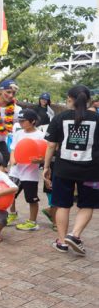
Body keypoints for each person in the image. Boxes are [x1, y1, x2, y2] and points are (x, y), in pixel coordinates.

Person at [43, 85, 99, 255]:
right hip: (91, 171)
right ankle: (74, 235)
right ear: (89, 99)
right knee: (87, 204)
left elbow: (51, 145)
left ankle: (61, 242)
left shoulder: (60, 118)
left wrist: (46, 167)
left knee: (62, 204)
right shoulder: (97, 119)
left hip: (63, 169)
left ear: (69, 99)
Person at [7, 109, 45, 229]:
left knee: (31, 199)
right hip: (16, 170)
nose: (21, 123)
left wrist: (40, 160)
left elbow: (44, 153)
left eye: (23, 121)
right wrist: (12, 159)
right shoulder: (18, 133)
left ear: (33, 121)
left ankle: (32, 222)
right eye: (20, 121)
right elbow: (13, 149)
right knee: (10, 194)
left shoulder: (40, 135)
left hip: (30, 173)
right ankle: (12, 214)